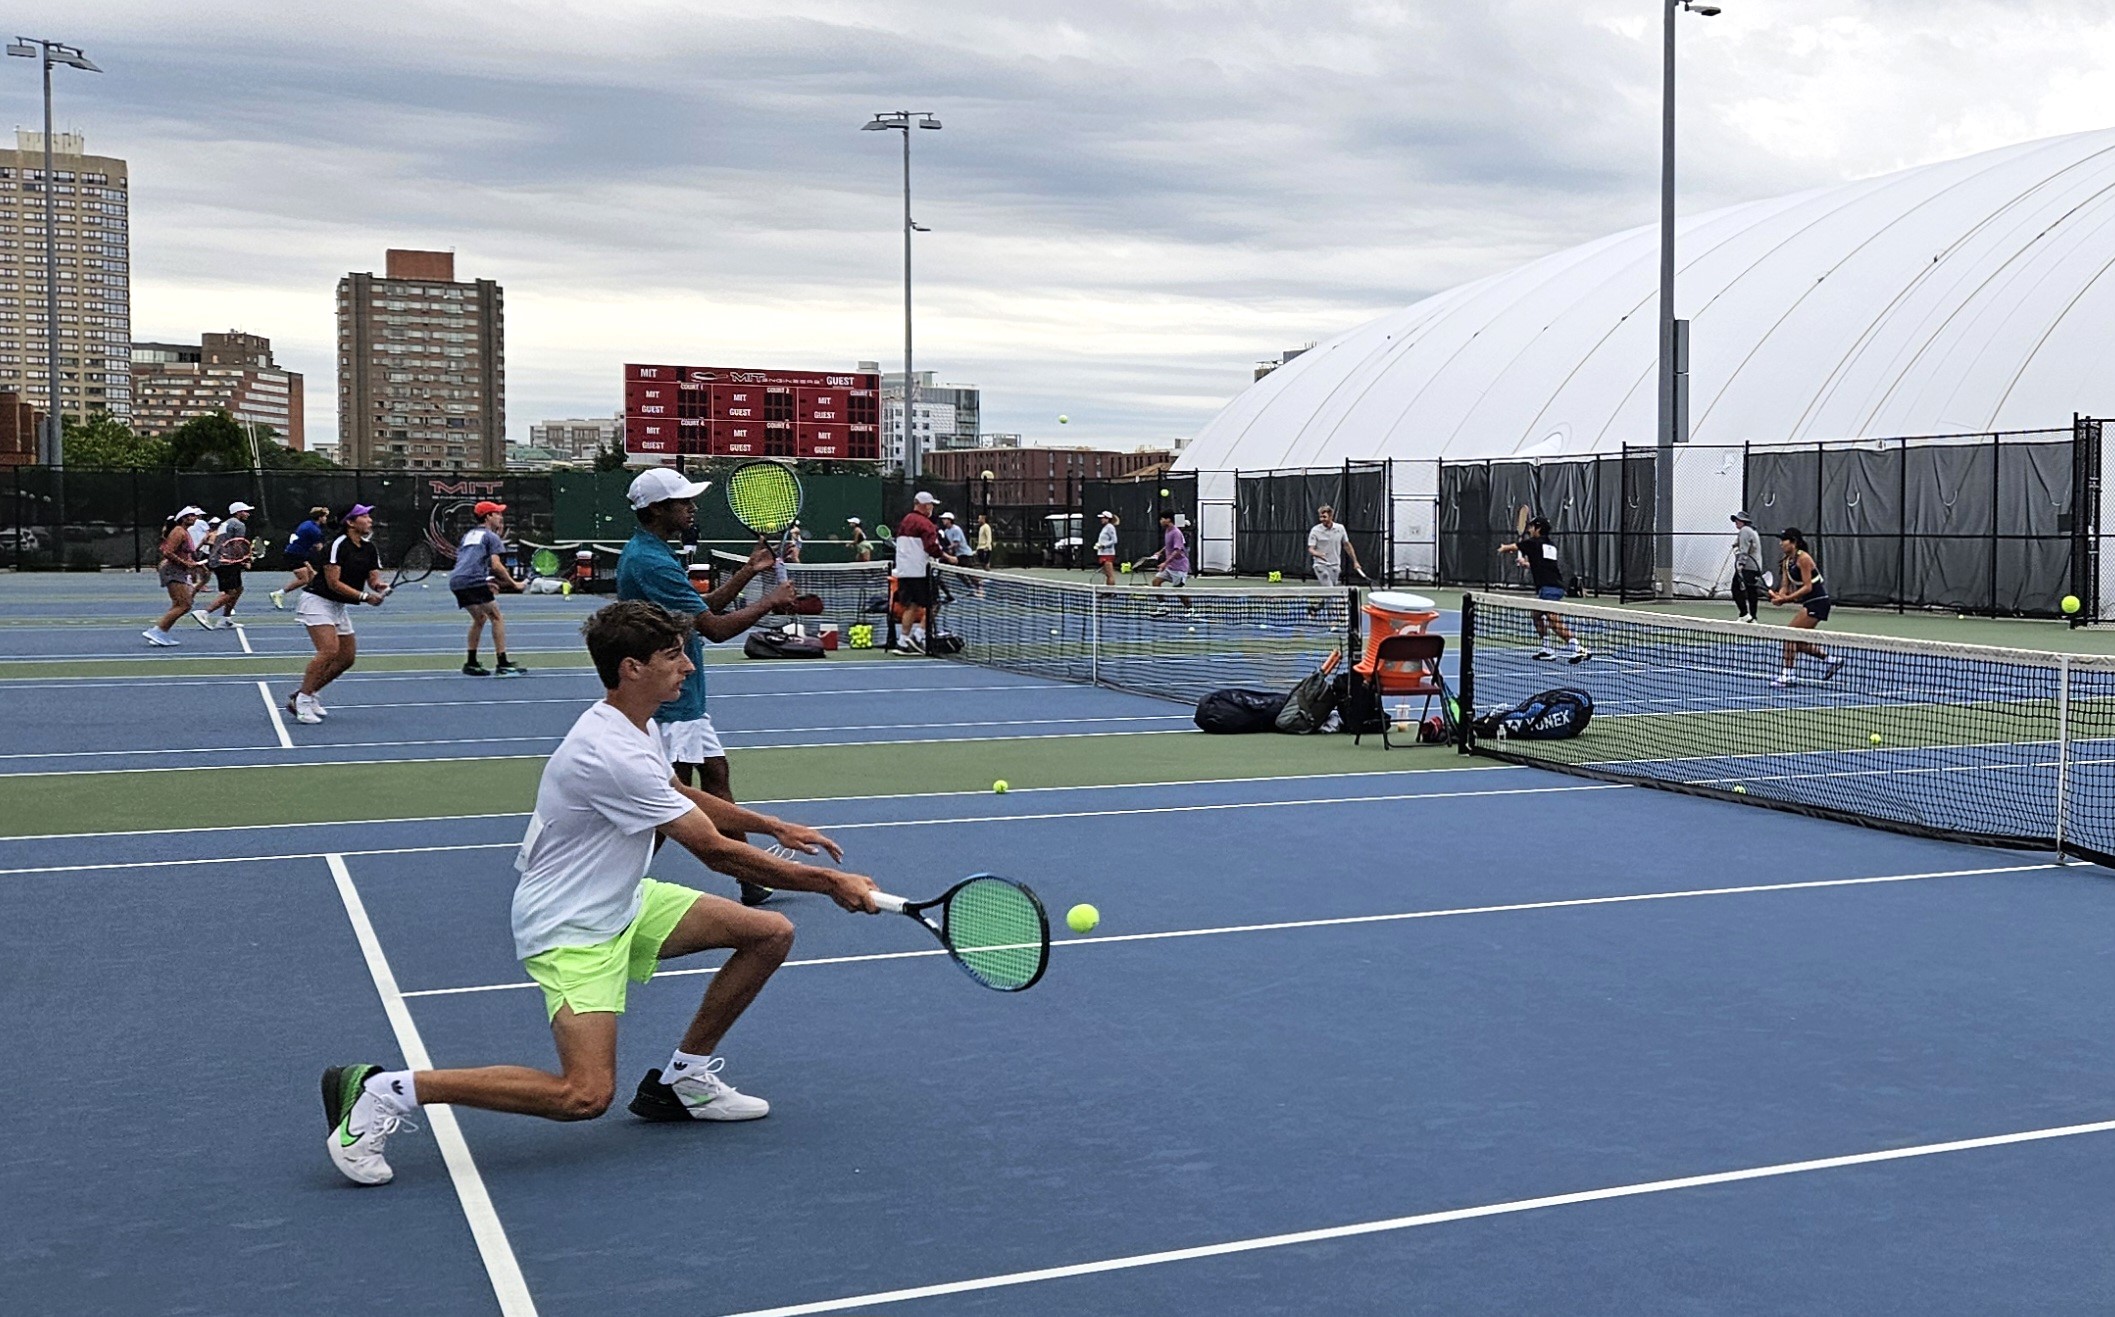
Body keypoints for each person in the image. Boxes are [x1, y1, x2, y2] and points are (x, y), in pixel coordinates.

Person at [319, 600, 881, 1187]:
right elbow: (715, 851)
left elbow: (674, 791)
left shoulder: (634, 725)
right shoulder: (610, 753)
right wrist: (829, 882)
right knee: (583, 1095)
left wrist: (773, 825)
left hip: (621, 901)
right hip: (571, 928)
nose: (687, 667)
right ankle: (386, 1090)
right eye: (672, 656)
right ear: (632, 668)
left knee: (768, 932)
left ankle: (682, 1081)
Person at [616, 467, 797, 907]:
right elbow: (714, 628)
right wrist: (771, 602)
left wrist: (751, 572)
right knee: (668, 805)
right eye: (684, 503)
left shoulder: (653, 552)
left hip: (683, 695)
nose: (692, 508)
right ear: (658, 510)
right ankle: (615, 884)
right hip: (666, 699)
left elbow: (699, 608)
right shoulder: (650, 562)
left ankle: (750, 877)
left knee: (715, 776)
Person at [286, 504, 386, 725]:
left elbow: (373, 579)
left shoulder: (369, 549)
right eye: (364, 516)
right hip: (317, 601)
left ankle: (305, 693)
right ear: (350, 522)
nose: (369, 520)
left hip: (338, 607)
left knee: (346, 658)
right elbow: (333, 583)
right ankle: (302, 703)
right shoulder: (337, 546)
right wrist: (364, 597)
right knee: (328, 651)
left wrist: (379, 587)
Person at [1498, 516, 1589, 663]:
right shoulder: (1550, 545)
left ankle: (1577, 648)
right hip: (1553, 586)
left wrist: (1503, 548)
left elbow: (1513, 547)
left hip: (1549, 588)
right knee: (1536, 614)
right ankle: (1547, 649)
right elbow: (1544, 564)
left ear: (1538, 528)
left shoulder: (1533, 543)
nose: (1529, 529)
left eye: (1532, 526)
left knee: (1553, 620)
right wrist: (1526, 564)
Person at [451, 500, 526, 677]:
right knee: (496, 617)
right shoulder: (491, 537)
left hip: (457, 580)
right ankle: (502, 664)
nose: (501, 517)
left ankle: (471, 662)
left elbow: (469, 561)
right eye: (498, 514)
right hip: (472, 579)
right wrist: (515, 584)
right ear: (488, 517)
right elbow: (496, 564)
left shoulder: (469, 535)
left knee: (480, 618)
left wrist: (488, 580)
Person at [1768, 527, 1844, 686]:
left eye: (1784, 540)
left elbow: (1808, 587)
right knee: (1799, 643)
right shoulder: (1787, 561)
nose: (1781, 543)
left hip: (1819, 601)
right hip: (1809, 602)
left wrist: (1786, 599)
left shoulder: (1804, 558)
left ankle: (1788, 675)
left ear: (1794, 542)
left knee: (1790, 635)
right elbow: (1785, 585)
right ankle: (1831, 660)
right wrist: (1780, 596)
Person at [892, 491, 953, 654]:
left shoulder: (905, 521)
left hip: (904, 571)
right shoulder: (926, 524)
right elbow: (932, 548)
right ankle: (918, 636)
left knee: (911, 606)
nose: (932, 508)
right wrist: (948, 557)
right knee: (934, 604)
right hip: (920, 572)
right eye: (931, 505)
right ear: (925, 506)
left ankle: (903, 642)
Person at [143, 508, 205, 647]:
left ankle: (161, 632)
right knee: (185, 604)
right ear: (184, 518)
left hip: (179, 571)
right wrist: (185, 563)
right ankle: (158, 631)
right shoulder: (178, 531)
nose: (195, 518)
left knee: (179, 604)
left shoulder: (184, 532)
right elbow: (167, 552)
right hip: (172, 571)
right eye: (192, 516)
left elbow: (184, 553)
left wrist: (192, 563)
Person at [193, 500, 256, 630]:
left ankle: (225, 619)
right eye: (245, 511)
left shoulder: (225, 523)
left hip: (220, 559)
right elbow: (237, 544)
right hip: (225, 562)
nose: (248, 514)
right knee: (231, 591)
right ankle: (204, 613)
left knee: (238, 589)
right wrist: (246, 559)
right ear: (238, 513)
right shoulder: (238, 525)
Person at [270, 506, 332, 610]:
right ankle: (278, 594)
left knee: (312, 577)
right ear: (320, 517)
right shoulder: (315, 530)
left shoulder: (306, 523)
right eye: (325, 516)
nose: (326, 519)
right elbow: (320, 549)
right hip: (295, 555)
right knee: (304, 579)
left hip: (299, 554)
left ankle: (314, 602)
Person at [1146, 510, 1194, 617]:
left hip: (1179, 567)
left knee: (1178, 590)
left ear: (1168, 520)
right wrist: (1160, 552)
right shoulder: (1168, 531)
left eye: (1162, 519)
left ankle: (1190, 609)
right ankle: (1163, 607)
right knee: (1156, 582)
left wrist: (1164, 563)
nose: (1160, 521)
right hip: (1169, 567)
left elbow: (1177, 551)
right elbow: (1169, 545)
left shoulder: (1176, 532)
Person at [1306, 505, 1366, 586]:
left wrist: (1355, 562)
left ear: (1331, 516)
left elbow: (1347, 545)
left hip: (1335, 565)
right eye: (1320, 517)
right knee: (1327, 583)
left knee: (1332, 589)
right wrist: (1317, 554)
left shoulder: (1340, 528)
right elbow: (1311, 549)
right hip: (1320, 564)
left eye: (1324, 517)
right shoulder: (1315, 530)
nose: (1322, 519)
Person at [1730, 510, 1765, 622]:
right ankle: (1753, 617)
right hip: (1755, 567)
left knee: (1735, 588)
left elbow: (1744, 551)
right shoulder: (1752, 531)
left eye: (1738, 520)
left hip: (1748, 568)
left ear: (1743, 521)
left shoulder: (1745, 531)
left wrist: (1740, 566)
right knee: (1751, 591)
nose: (1736, 522)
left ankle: (1744, 614)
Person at [1093, 510, 1119, 586]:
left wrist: (1103, 545)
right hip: (1103, 553)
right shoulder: (1105, 527)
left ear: (1107, 519)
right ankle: (1108, 591)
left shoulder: (1110, 527)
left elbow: (1114, 540)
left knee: (1110, 574)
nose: (1101, 519)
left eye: (1103, 518)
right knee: (1107, 574)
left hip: (1108, 554)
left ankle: (1111, 592)